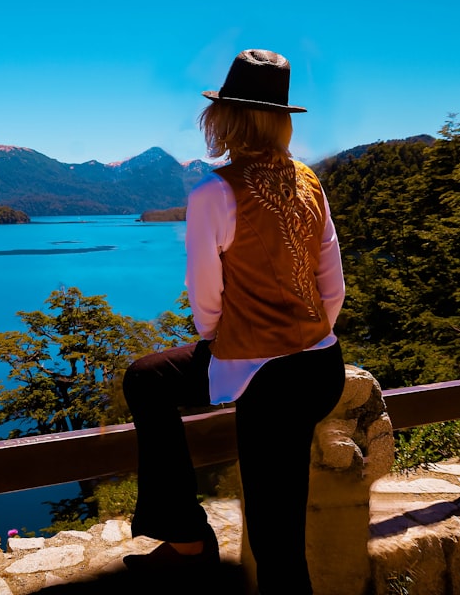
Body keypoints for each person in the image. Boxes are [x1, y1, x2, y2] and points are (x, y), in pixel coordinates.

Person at [122, 49, 346, 594]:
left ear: (225, 117)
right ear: (280, 119)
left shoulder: (213, 193)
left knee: (277, 544)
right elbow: (332, 287)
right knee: (149, 377)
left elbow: (206, 304)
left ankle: (189, 540)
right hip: (321, 365)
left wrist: (236, 349)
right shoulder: (308, 181)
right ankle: (185, 537)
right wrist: (297, 334)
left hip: (270, 381)